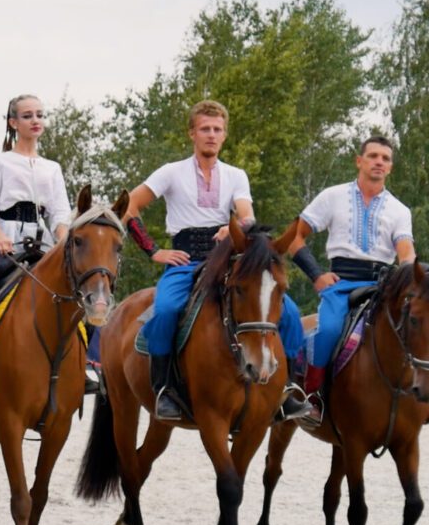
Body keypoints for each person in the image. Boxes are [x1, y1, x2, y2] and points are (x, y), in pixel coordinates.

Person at [123, 99, 311, 422]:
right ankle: (164, 389)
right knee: (166, 310)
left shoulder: (236, 175)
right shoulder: (171, 172)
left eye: (217, 129)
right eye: (205, 129)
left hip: (227, 259)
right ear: (192, 133)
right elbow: (129, 206)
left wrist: (236, 226)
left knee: (290, 312)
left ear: (224, 136)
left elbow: (247, 214)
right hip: (183, 260)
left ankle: (287, 389)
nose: (211, 134)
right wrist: (154, 250)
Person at [279, 136, 429, 425]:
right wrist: (317, 275)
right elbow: (294, 236)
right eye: (373, 156)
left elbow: (405, 252)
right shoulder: (332, 196)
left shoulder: (399, 210)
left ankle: (420, 400)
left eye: (385, 158)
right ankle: (312, 396)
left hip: (383, 285)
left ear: (391, 167)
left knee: (412, 328)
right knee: (329, 330)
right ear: (359, 161)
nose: (379, 162)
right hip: (340, 283)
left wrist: (414, 273)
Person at [0, 94, 73, 397]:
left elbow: (59, 212)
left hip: (42, 245)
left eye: (40, 115)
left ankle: (81, 367)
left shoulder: (52, 167)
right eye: (28, 115)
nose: (36, 121)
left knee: (79, 296)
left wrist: (62, 240)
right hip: (2, 244)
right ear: (13, 122)